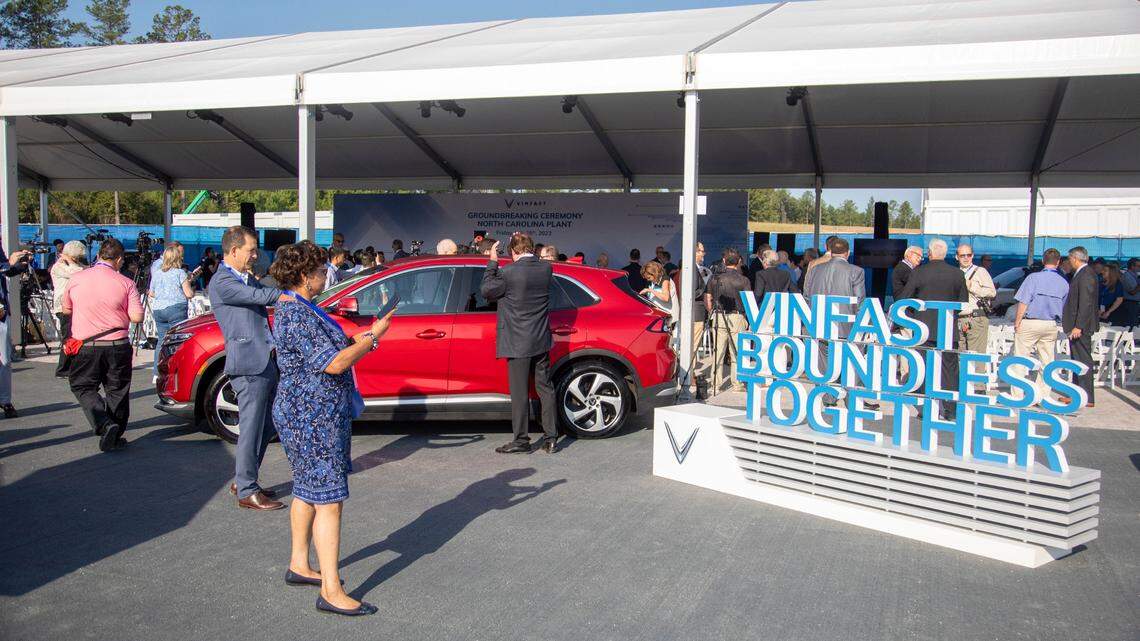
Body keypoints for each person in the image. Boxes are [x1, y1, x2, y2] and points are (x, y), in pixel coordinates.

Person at [269, 240, 392, 617]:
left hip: (306, 412)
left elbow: (328, 351)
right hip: (313, 416)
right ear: (304, 276)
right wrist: (373, 338)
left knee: (306, 491)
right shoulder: (298, 313)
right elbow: (334, 364)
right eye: (321, 271)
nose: (326, 276)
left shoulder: (296, 306)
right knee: (329, 500)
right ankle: (331, 590)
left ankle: (299, 563)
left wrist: (361, 337)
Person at [209, 226, 287, 510]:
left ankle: (244, 478)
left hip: (263, 361)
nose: (256, 255)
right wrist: (290, 296)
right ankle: (246, 490)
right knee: (252, 429)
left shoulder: (244, 277)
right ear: (233, 251)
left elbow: (264, 291)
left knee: (267, 424)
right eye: (251, 250)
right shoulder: (223, 281)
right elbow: (260, 297)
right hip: (248, 365)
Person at [61, 238, 144, 450]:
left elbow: (66, 309)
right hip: (117, 343)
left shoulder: (77, 279)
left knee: (82, 386)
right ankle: (114, 433)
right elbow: (137, 316)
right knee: (117, 390)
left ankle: (104, 423)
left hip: (86, 345)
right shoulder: (126, 282)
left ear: (98, 256)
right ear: (119, 259)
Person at [480, 233, 558, 454]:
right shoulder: (546, 269)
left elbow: (486, 290)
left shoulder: (508, 272)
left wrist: (493, 261)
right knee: (546, 389)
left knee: (520, 394)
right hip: (541, 340)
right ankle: (551, 438)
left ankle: (521, 441)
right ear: (532, 249)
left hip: (517, 342)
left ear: (513, 252)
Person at [897, 239, 968, 420]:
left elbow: (905, 298)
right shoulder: (957, 274)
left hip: (924, 328)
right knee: (950, 371)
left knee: (924, 369)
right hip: (948, 329)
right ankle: (951, 411)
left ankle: (928, 409)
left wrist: (916, 315)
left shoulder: (919, 272)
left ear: (929, 253)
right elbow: (963, 302)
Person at [1012, 248, 1068, 403]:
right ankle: (1042, 396)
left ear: (1043, 260)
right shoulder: (1063, 283)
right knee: (1047, 361)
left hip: (1030, 322)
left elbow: (1023, 302)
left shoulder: (1033, 278)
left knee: (1020, 359)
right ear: (1058, 262)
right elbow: (1064, 306)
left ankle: (1018, 396)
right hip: (1050, 324)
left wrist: (1017, 321)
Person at [704, 248, 751, 394]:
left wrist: (711, 312)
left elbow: (707, 298)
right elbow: (749, 302)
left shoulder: (714, 278)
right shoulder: (744, 280)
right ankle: (737, 383)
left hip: (719, 315)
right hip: (737, 316)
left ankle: (715, 384)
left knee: (718, 351)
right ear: (739, 262)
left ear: (724, 261)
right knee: (736, 351)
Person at [149, 242, 195, 377]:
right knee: (178, 340)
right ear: (177, 258)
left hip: (159, 309)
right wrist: (190, 287)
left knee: (161, 341)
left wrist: (164, 295)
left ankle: (157, 373)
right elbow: (189, 294)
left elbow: (151, 293)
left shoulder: (157, 273)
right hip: (176, 308)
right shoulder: (180, 273)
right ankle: (177, 371)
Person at [0, 242, 32, 418]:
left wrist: (20, 265)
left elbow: (6, 269)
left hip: (1, 311)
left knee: (5, 359)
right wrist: (9, 264)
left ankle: (5, 400)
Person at [1063, 247, 1098, 407]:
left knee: (1083, 360)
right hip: (1076, 325)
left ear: (1075, 258)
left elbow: (1086, 302)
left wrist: (1078, 326)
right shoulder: (1082, 273)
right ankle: (1078, 394)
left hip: (1081, 327)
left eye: (1070, 259)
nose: (1069, 262)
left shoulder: (1086, 274)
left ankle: (1087, 396)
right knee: (1077, 360)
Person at [956, 243, 996, 366]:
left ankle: (977, 379)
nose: (966, 258)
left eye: (968, 255)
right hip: (959, 318)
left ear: (972, 256)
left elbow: (992, 292)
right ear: (957, 257)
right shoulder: (955, 272)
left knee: (976, 358)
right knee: (960, 357)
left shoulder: (980, 271)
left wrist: (972, 286)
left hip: (976, 317)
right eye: (962, 255)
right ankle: (962, 378)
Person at [50, 240, 86, 378]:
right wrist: (69, 261)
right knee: (68, 337)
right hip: (63, 306)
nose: (78, 259)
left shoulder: (76, 264)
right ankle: (63, 369)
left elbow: (87, 270)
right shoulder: (58, 266)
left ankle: (73, 366)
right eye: (76, 257)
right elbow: (77, 273)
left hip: (75, 305)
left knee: (76, 336)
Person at [1120, 258, 1140, 327]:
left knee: (1134, 324)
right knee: (1131, 325)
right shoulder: (1127, 276)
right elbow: (1132, 292)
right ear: (1132, 266)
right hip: (1130, 304)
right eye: (1138, 266)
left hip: (1135, 303)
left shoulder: (1135, 276)